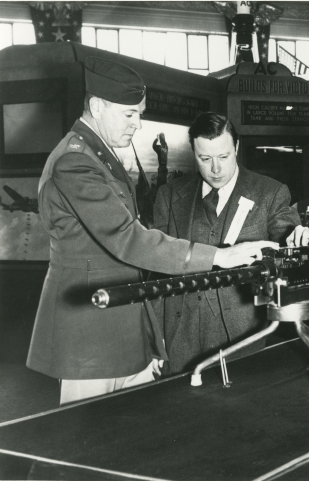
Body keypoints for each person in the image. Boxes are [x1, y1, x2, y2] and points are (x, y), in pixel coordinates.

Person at [28, 57, 278, 406]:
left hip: (120, 320)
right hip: (90, 332)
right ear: (97, 107)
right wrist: (219, 256)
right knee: (90, 428)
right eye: (129, 114)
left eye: (139, 114)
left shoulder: (98, 156)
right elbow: (127, 238)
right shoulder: (76, 162)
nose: (138, 124)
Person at [154, 112, 309, 375]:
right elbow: (156, 268)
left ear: (237, 148)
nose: (215, 169)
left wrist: (296, 238)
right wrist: (155, 339)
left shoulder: (269, 192)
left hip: (244, 336)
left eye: (223, 157)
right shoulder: (169, 195)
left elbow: (286, 233)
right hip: (180, 335)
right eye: (205, 159)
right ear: (193, 152)